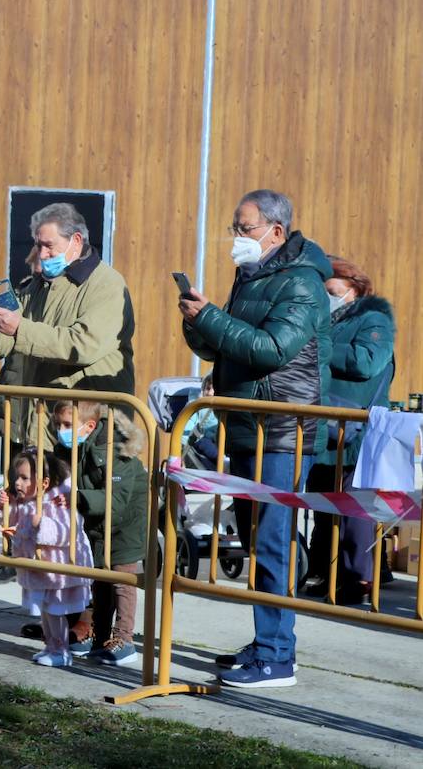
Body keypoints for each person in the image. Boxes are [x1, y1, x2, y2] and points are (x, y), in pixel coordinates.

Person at [180, 189, 332, 689]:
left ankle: (276, 656)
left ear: (276, 232)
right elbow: (225, 345)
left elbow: (270, 349)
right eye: (235, 228)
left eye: (244, 228)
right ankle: (269, 640)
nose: (236, 238)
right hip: (246, 425)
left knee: (272, 541)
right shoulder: (251, 276)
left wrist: (211, 318)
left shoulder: (302, 283)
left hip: (282, 431)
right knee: (253, 538)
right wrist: (197, 322)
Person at [0, 203, 135, 444]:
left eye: (49, 245)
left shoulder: (107, 284)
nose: (42, 254)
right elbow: (9, 344)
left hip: (86, 430)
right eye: (38, 245)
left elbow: (83, 345)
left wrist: (19, 328)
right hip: (34, 427)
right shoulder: (36, 285)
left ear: (76, 241)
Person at [304, 256, 396, 603]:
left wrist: (319, 346)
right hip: (324, 426)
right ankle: (324, 571)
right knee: (323, 505)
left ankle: (359, 578)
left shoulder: (374, 319)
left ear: (352, 287)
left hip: (358, 430)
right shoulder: (325, 320)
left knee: (355, 510)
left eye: (330, 289)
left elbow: (367, 362)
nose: (325, 295)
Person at [53, 400, 148, 666]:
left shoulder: (116, 448)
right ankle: (100, 637)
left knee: (122, 578)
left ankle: (124, 639)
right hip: (96, 520)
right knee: (100, 577)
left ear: (89, 426)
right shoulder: (68, 448)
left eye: (67, 425)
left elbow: (116, 498)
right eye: (58, 424)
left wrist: (77, 498)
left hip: (127, 521)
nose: (61, 430)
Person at [0, 448, 93, 667]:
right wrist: (4, 507)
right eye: (16, 477)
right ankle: (51, 646)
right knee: (46, 613)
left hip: (57, 571)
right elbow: (11, 521)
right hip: (39, 571)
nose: (18, 483)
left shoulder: (58, 501)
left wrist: (42, 524)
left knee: (55, 612)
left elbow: (70, 532)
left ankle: (61, 651)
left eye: (24, 478)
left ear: (44, 482)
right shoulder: (24, 501)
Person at [0, 247, 40, 586]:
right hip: (15, 407)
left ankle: (39, 555)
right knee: (12, 489)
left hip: (41, 410)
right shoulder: (21, 293)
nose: (37, 263)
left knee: (42, 489)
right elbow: (2, 350)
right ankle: (9, 554)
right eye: (35, 257)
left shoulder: (61, 299)